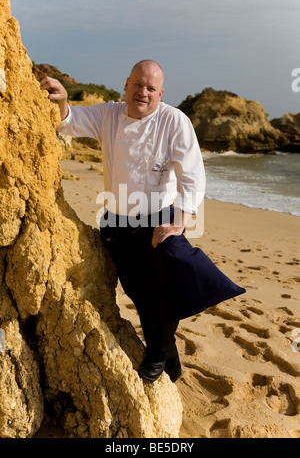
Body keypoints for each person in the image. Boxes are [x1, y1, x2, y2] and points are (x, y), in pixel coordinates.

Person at [40, 60, 245, 383]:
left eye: (151, 88)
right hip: (117, 224)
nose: (143, 92)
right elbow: (71, 121)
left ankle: (155, 355)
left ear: (160, 93)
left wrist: (181, 220)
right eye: (138, 84)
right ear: (126, 84)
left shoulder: (174, 121)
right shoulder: (107, 114)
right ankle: (170, 359)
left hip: (159, 221)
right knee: (140, 296)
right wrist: (64, 100)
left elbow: (192, 176)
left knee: (161, 291)